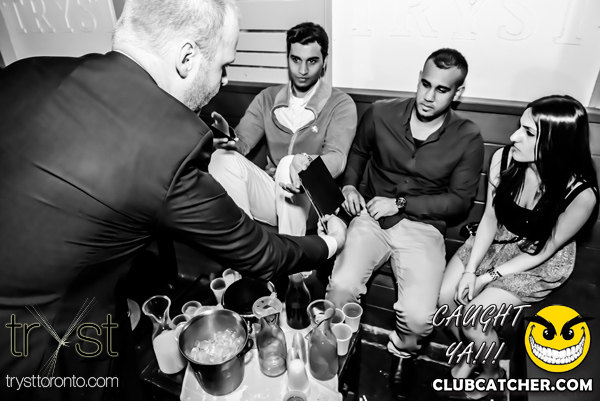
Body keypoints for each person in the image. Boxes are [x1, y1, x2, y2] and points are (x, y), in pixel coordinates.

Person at [0, 1, 347, 400]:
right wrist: (332, 242)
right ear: (187, 58)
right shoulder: (171, 144)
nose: (225, 80)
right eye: (223, 65)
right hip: (43, 349)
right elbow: (261, 254)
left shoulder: (25, 71)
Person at [325, 48, 484, 399]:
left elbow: (460, 201)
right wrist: (349, 185)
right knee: (341, 286)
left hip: (423, 228)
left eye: (442, 89)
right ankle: (340, 346)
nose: (429, 96)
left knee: (419, 316)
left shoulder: (467, 137)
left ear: (457, 93)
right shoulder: (381, 113)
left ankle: (402, 353)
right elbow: (359, 153)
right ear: (419, 79)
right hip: (372, 218)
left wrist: (400, 203)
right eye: (425, 84)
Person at [437, 95, 598, 399]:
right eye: (519, 126)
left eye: (528, 132)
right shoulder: (504, 159)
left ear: (557, 143)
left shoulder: (581, 194)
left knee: (474, 319)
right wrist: (471, 271)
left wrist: (487, 277)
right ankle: (475, 352)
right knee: (445, 298)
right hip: (497, 239)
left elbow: (546, 248)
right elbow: (489, 218)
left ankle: (492, 372)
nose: (514, 137)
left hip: (537, 257)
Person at [208, 22, 357, 236]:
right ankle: (244, 246)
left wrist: (303, 163)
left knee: (289, 164)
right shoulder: (267, 98)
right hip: (275, 192)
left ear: (324, 62)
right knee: (221, 157)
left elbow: (337, 158)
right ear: (288, 58)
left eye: (312, 61)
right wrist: (227, 139)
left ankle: (294, 256)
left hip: (316, 201)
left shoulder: (340, 103)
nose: (303, 70)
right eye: (296, 60)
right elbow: (242, 142)